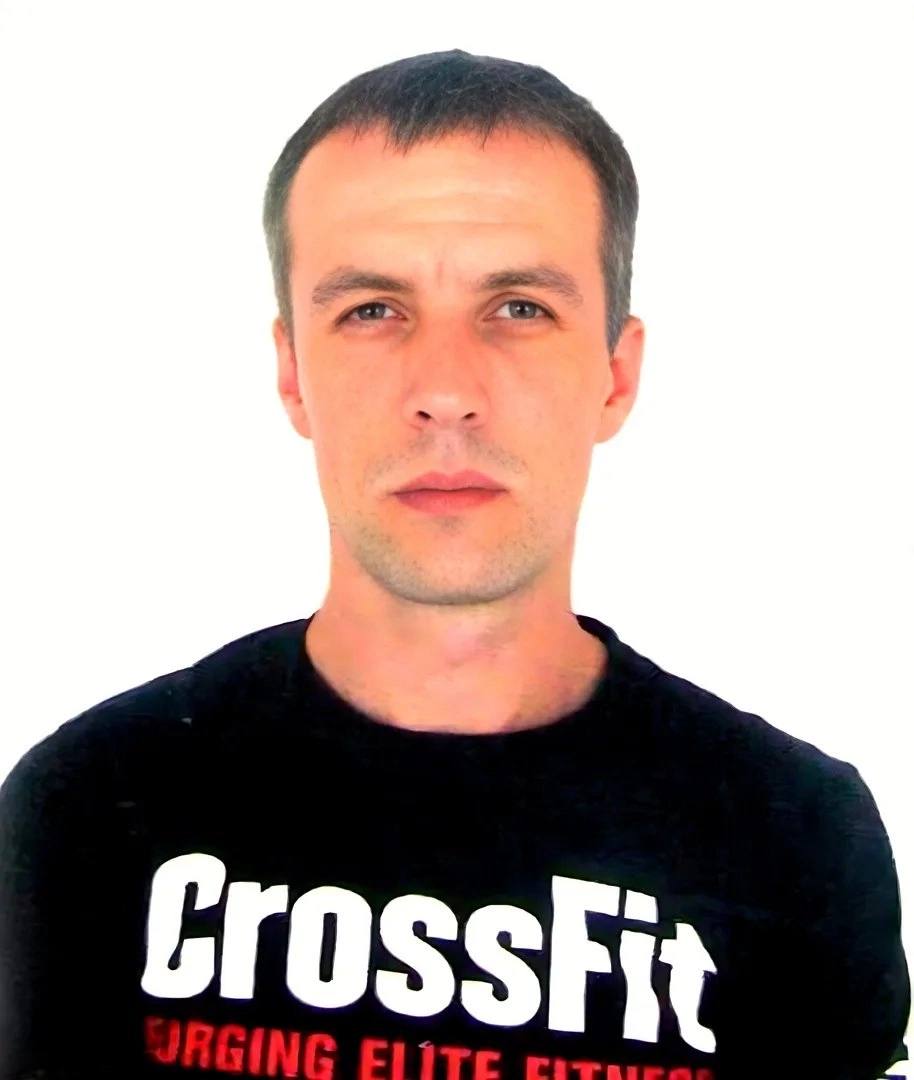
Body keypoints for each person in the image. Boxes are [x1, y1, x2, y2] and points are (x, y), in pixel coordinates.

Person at [0, 47, 909, 1080]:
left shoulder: (795, 837)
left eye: (518, 307)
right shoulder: (86, 809)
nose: (444, 391)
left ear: (615, 375)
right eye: (371, 311)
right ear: (292, 374)